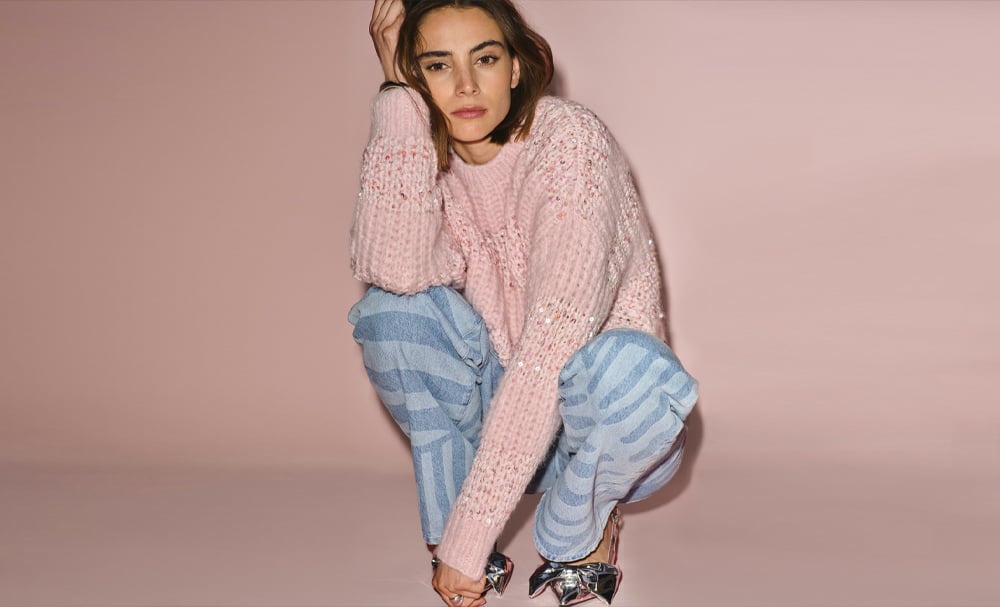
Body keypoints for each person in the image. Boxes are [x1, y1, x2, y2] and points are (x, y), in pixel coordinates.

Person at [348, 1, 699, 605]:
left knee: (632, 367)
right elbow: (395, 272)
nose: (465, 85)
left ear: (515, 67)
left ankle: (579, 522)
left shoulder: (569, 142)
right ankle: (451, 517)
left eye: (484, 59)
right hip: (499, 419)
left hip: (602, 428)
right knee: (391, 317)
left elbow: (552, 345)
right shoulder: (427, 155)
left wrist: (470, 537)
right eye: (437, 65)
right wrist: (398, 104)